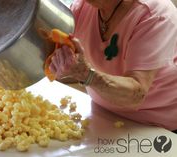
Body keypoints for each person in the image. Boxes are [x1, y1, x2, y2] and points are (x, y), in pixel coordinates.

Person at [49, 0, 177, 131]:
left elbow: (136, 94)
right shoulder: (81, 7)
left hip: (158, 127)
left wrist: (86, 74)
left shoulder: (154, 15)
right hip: (104, 117)